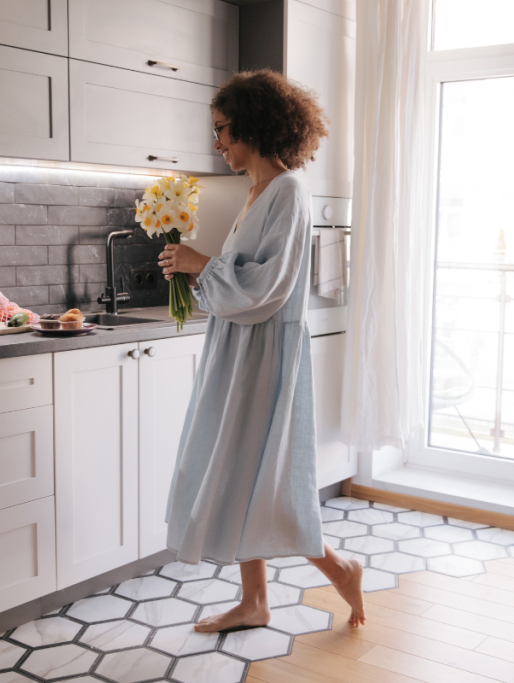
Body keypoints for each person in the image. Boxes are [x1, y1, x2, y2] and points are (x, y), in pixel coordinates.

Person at [156, 70, 366, 632]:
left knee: (260, 475)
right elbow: (238, 285)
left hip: (264, 357)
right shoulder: (258, 192)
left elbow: (267, 286)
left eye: (223, 130)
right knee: (239, 472)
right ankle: (255, 602)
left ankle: (341, 566)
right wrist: (194, 270)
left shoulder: (289, 191)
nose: (217, 142)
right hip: (238, 350)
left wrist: (202, 264)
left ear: (253, 125)